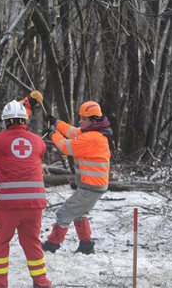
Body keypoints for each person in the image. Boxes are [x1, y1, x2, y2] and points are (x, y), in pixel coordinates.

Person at [0, 100, 52, 288]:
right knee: (32, 242)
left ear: (6, 121)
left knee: (1, 243)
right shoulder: (38, 140)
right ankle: (41, 282)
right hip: (34, 205)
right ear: (25, 120)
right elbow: (37, 155)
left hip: (9, 206)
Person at [42, 101, 112, 255]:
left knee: (64, 213)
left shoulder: (92, 138)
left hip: (91, 186)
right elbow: (73, 132)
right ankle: (86, 245)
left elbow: (67, 147)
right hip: (93, 186)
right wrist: (56, 123)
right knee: (79, 215)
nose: (80, 121)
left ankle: (52, 244)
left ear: (93, 120)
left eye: (83, 119)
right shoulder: (92, 132)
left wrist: (53, 134)